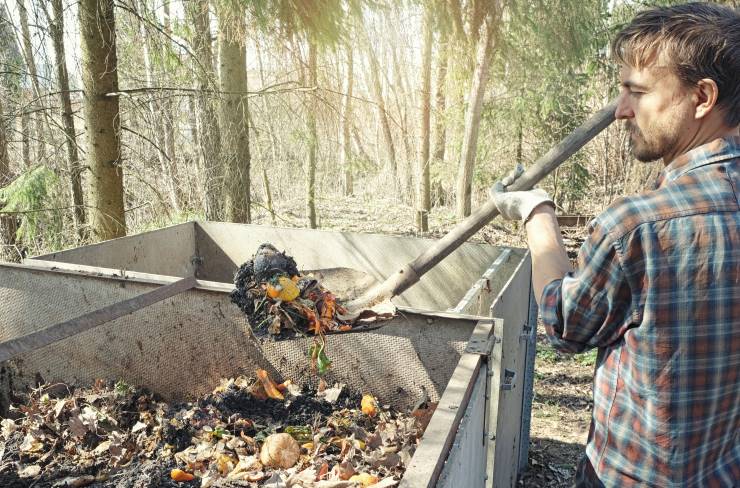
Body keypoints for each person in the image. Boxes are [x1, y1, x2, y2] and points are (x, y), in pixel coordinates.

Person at [490, 3, 739, 487]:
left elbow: (565, 323)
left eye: (637, 92)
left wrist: (538, 213)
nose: (621, 109)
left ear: (702, 97)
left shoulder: (637, 227)